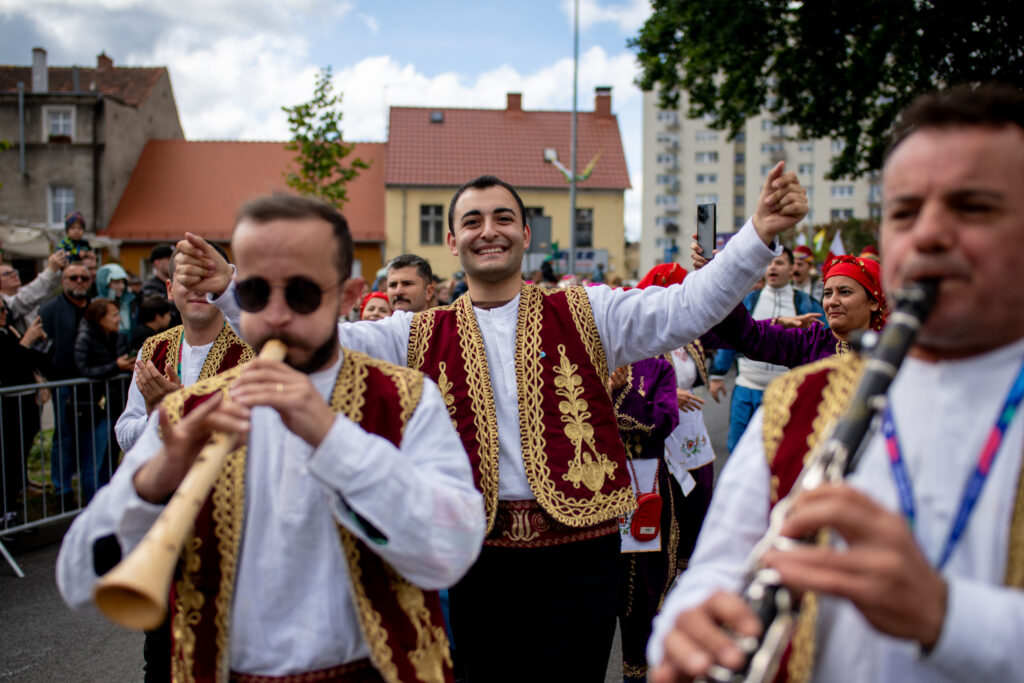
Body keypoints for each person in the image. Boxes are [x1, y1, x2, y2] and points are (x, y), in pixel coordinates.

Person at [177, 165, 807, 681]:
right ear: (451, 242)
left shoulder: (587, 308)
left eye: (503, 217)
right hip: (476, 558)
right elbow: (321, 342)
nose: (489, 231)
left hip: (580, 554)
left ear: (526, 234)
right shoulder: (415, 333)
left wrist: (755, 235)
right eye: (471, 221)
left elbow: (688, 306)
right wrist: (234, 288)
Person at [648, 84, 1024, 683]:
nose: (927, 234)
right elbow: (715, 573)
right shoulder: (802, 402)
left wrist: (947, 617)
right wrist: (690, 625)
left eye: (972, 207)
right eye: (904, 211)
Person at [58, 194, 484, 683]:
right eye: (257, 293)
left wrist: (332, 437)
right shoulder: (187, 413)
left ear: (345, 296)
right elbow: (77, 583)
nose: (278, 315)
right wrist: (150, 485)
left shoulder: (408, 398)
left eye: (302, 293)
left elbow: (452, 550)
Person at [116, 251, 252, 453]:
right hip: (167, 482)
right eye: (188, 280)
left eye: (207, 279)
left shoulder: (251, 347)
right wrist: (157, 418)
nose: (198, 289)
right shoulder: (152, 348)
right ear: (170, 290)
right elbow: (124, 435)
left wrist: (181, 409)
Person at [708, 247, 825, 452]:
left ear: (791, 269)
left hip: (787, 392)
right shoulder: (749, 300)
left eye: (779, 262)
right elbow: (735, 337)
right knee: (739, 451)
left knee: (781, 453)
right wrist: (717, 374)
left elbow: (822, 342)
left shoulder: (807, 303)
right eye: (769, 263)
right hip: (747, 389)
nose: (773, 267)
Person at [609, 355, 679, 682]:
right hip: (589, 502)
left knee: (641, 598)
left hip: (644, 498)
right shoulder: (577, 353)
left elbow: (663, 422)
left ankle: (635, 673)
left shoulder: (658, 367)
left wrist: (621, 392)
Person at [702, 254, 887, 366]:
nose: (832, 302)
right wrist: (718, 280)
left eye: (845, 292)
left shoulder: (900, 350)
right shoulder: (809, 343)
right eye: (828, 293)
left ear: (873, 301)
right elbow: (751, 337)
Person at [39, 262, 92, 508]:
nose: (79, 281)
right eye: (73, 278)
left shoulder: (96, 306)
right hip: (63, 384)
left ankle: (89, 490)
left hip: (93, 384)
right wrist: (46, 377)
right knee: (63, 438)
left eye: (83, 277)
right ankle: (62, 492)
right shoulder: (50, 309)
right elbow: (41, 347)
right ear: (63, 281)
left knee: (89, 439)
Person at [72, 298, 133, 503]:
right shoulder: (85, 337)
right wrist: (116, 366)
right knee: (94, 460)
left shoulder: (117, 337)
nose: (118, 319)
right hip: (94, 406)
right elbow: (83, 369)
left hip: (115, 403)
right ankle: (92, 505)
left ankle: (109, 502)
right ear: (100, 319)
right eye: (114, 315)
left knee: (110, 458)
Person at [0, 298, 51, 528]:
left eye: (5, 308)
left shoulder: (9, 329)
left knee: (17, 459)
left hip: (24, 405)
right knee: (6, 461)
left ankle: (11, 511)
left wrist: (38, 379)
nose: (4, 312)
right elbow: (8, 365)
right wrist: (26, 341)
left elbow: (28, 360)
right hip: (7, 408)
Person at [1, 250, 66, 335]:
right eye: (6, 274)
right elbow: (24, 299)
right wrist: (50, 270)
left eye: (15, 272)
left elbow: (48, 289)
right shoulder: (3, 302)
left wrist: (60, 270)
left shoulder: (23, 292)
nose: (14, 275)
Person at [96, 263, 136, 337]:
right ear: (104, 283)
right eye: (116, 282)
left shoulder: (129, 302)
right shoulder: (96, 305)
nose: (122, 286)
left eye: (123, 282)